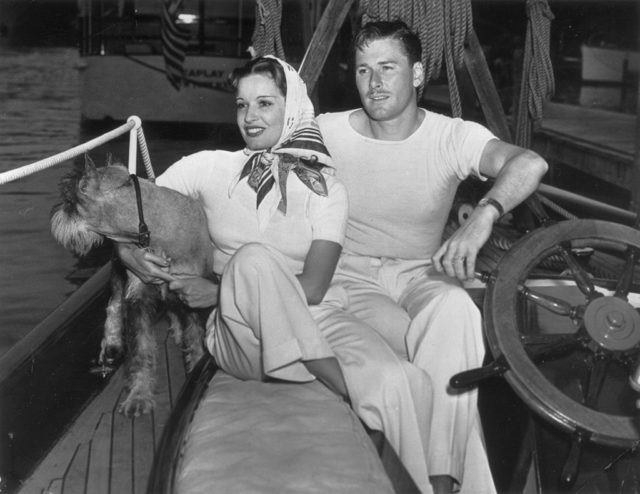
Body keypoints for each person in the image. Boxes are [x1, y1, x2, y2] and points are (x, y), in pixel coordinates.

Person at [315, 20, 549, 494]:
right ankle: (446, 484)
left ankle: (438, 479)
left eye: (387, 68)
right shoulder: (325, 134)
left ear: (418, 74)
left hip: (423, 273)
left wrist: (482, 217)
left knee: (456, 310)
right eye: (363, 70)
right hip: (351, 279)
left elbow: (530, 164)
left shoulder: (450, 136)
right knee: (424, 357)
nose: (374, 83)